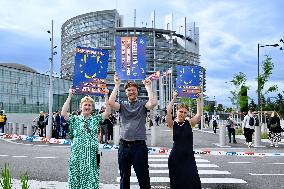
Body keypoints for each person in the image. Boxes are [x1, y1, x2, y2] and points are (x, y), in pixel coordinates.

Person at [109, 74, 157, 189]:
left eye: (133, 90)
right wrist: (116, 85)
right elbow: (111, 103)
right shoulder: (122, 106)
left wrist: (148, 87)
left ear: (137, 91)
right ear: (125, 92)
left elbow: (153, 103)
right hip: (123, 146)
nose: (131, 92)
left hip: (139, 146)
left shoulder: (142, 104)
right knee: (124, 177)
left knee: (143, 177)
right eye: (129, 90)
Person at [61, 87, 110, 189]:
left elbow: (107, 112)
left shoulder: (96, 119)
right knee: (76, 172)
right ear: (81, 107)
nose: (87, 107)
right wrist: (70, 95)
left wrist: (106, 96)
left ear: (92, 108)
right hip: (77, 151)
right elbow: (63, 113)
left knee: (94, 171)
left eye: (89, 105)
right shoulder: (75, 119)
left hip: (94, 151)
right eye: (85, 105)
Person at [166, 91, 202, 189]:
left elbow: (199, 115)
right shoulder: (172, 124)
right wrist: (173, 99)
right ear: (177, 112)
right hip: (175, 157)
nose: (182, 114)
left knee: (193, 182)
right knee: (176, 183)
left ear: (187, 113)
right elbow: (168, 111)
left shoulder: (190, 123)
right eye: (180, 111)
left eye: (185, 112)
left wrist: (198, 98)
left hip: (188, 157)